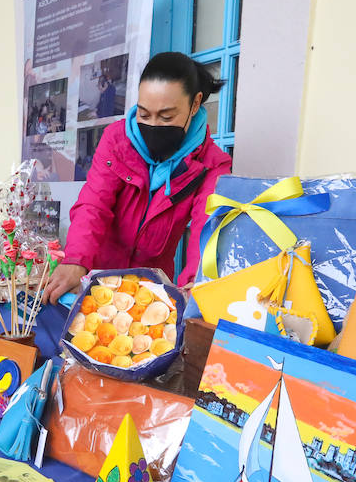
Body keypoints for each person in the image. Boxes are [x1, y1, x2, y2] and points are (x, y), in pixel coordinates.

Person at [45, 52, 233, 302]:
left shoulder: (212, 165)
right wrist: (76, 260)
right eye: (144, 114)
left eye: (166, 117)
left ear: (195, 104)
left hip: (150, 292)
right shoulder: (117, 141)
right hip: (97, 282)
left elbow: (207, 232)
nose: (153, 125)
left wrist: (195, 285)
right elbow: (93, 205)